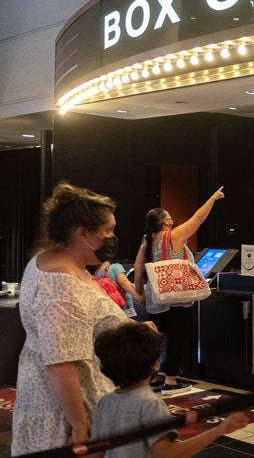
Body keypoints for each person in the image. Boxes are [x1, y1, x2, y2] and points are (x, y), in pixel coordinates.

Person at [11, 182, 130, 455]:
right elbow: (60, 363)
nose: (112, 237)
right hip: (67, 412)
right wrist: (79, 425)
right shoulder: (61, 286)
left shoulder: (57, 260)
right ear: (82, 233)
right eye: (108, 231)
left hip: (62, 401)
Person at [89, 322, 249, 458]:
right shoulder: (150, 405)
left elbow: (97, 452)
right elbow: (167, 453)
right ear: (155, 364)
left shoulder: (105, 402)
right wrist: (218, 430)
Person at [133, 186, 224, 395]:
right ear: (166, 221)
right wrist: (212, 198)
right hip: (177, 298)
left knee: (158, 337)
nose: (171, 218)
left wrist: (139, 293)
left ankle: (152, 377)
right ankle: (171, 381)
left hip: (155, 299)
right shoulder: (172, 236)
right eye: (169, 216)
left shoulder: (147, 240)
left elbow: (138, 270)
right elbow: (198, 218)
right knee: (177, 337)